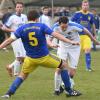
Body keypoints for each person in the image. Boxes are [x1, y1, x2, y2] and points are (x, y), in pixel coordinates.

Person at [0, 10, 83, 99]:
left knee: (22, 75)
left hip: (30, 59)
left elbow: (9, 40)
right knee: (64, 65)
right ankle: (69, 90)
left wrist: (0, 46)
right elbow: (56, 35)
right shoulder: (41, 26)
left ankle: (8, 93)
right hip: (44, 57)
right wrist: (70, 41)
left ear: (28, 18)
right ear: (37, 19)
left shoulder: (21, 28)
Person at [51, 16, 100, 95]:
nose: (64, 29)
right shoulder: (55, 27)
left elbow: (85, 30)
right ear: (59, 24)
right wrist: (51, 43)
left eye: (66, 27)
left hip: (75, 48)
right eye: (63, 27)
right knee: (59, 67)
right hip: (62, 47)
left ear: (68, 23)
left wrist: (94, 40)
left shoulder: (73, 25)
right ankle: (57, 90)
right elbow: (50, 37)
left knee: (72, 72)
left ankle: (63, 86)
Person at [1, 2, 28, 76]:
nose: (19, 8)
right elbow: (4, 27)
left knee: (24, 57)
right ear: (15, 8)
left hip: (23, 39)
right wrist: (13, 30)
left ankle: (10, 67)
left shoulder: (24, 16)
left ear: (23, 8)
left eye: (20, 7)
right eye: (18, 7)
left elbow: (26, 27)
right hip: (15, 39)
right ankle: (16, 74)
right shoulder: (12, 17)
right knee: (19, 57)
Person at [71, 0, 96, 71]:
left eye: (87, 5)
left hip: (87, 36)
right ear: (81, 6)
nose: (85, 6)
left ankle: (88, 68)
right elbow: (70, 23)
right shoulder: (76, 14)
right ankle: (72, 66)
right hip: (77, 36)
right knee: (76, 53)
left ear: (88, 6)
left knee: (87, 50)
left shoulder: (90, 15)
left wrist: (94, 34)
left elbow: (93, 24)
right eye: (84, 5)